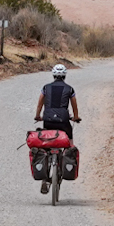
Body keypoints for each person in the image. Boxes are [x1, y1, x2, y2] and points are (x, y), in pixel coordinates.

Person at [33, 64, 81, 193]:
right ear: (64, 75)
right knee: (70, 144)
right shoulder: (70, 89)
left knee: (46, 144)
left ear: (53, 75)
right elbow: (74, 106)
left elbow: (39, 104)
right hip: (64, 121)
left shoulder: (45, 88)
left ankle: (44, 176)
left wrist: (38, 116)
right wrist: (76, 117)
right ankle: (67, 158)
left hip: (48, 120)